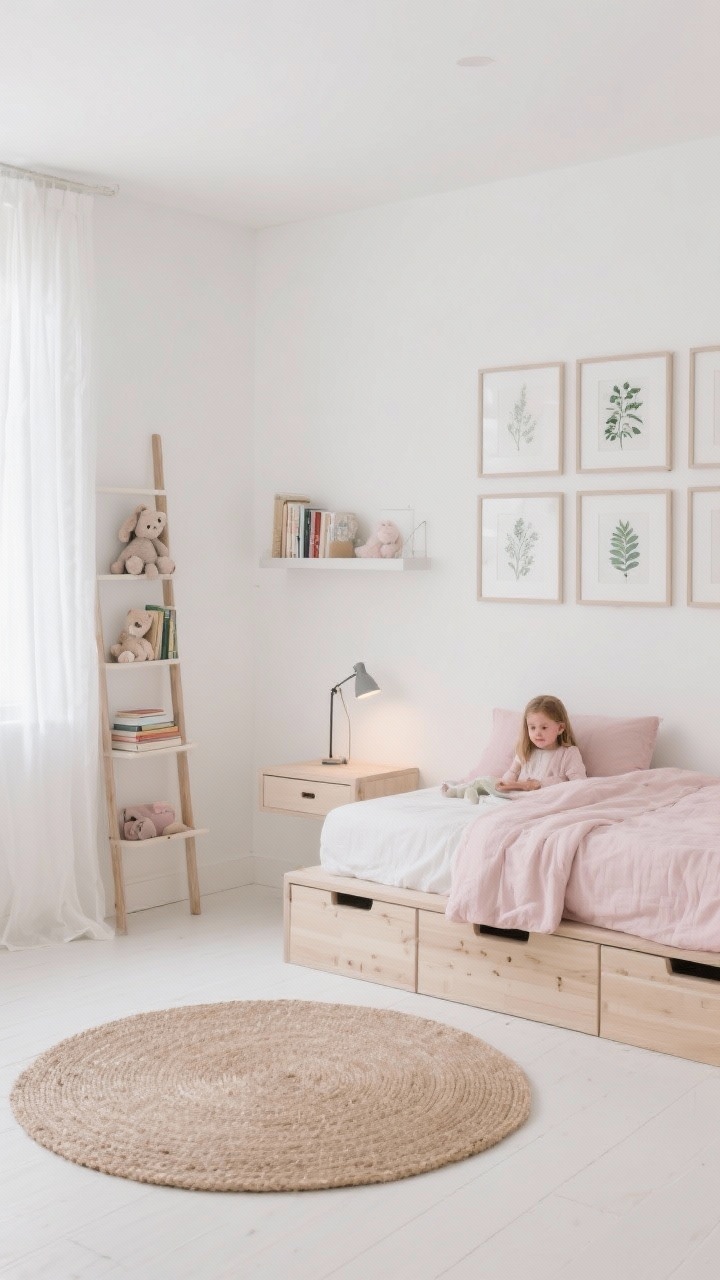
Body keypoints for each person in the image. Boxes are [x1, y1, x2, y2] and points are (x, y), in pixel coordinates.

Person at [495, 695, 586, 793]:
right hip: (520, 800)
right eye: (533, 728)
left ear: (560, 728)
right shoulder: (525, 751)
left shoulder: (569, 754)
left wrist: (538, 785)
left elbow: (580, 785)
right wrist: (504, 785)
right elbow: (511, 775)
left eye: (544, 728)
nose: (537, 733)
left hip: (550, 801)